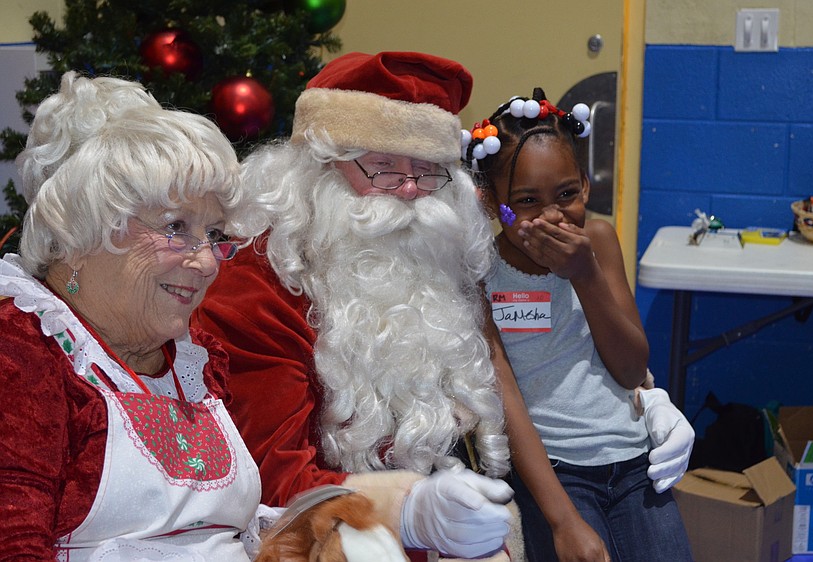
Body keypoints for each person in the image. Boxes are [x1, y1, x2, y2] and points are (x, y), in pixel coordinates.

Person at [0, 71, 406, 561]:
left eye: (213, 234)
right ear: (81, 234)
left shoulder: (193, 360)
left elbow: (224, 529)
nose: (208, 261)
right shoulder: (22, 351)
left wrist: (334, 532)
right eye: (176, 227)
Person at [192, 51, 517, 561]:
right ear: (315, 169)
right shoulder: (256, 289)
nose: (410, 191)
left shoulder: (435, 262)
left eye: (428, 170)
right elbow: (271, 483)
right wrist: (411, 512)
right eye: (384, 167)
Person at [465, 87, 694, 562]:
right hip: (550, 474)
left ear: (586, 186)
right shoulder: (477, 271)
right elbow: (502, 392)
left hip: (633, 461)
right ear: (491, 203)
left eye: (567, 194)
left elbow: (631, 370)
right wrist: (563, 520)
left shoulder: (599, 241)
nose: (552, 216)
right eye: (526, 201)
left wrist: (585, 273)